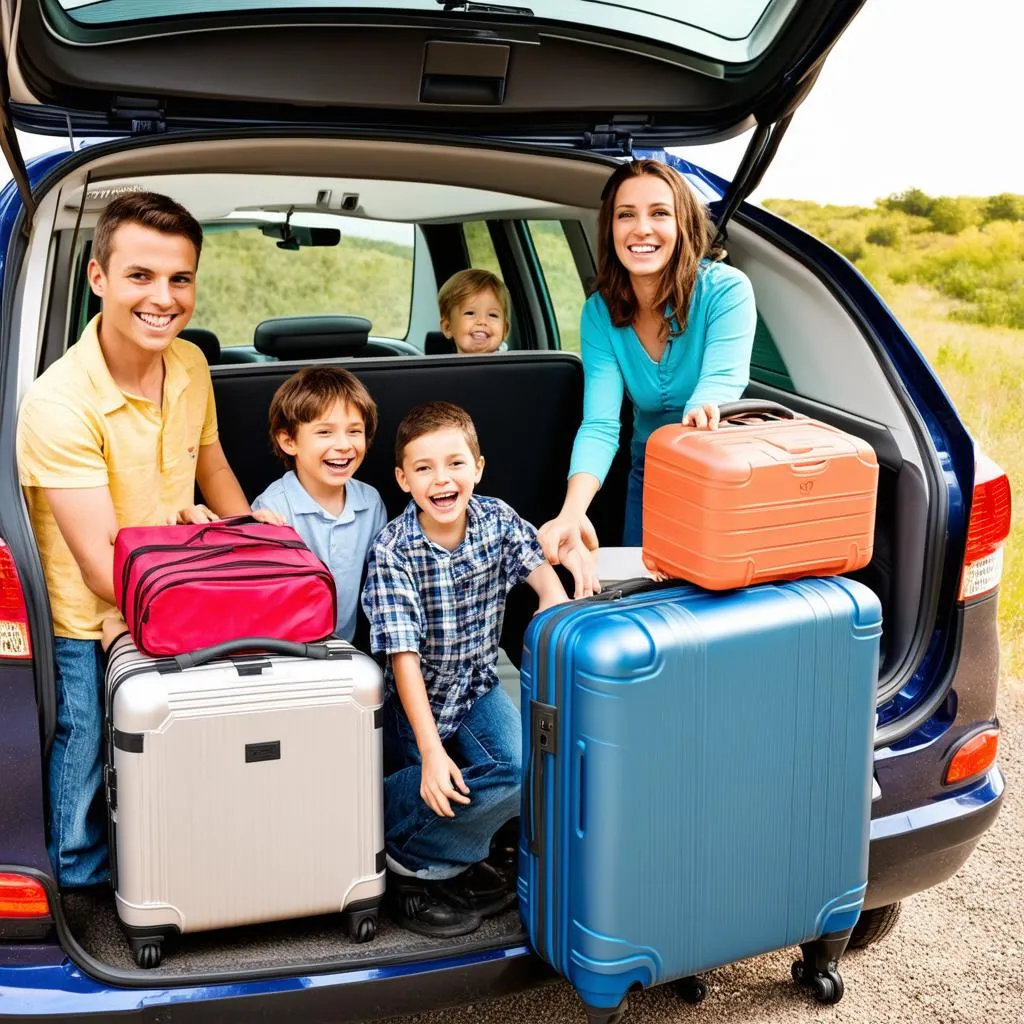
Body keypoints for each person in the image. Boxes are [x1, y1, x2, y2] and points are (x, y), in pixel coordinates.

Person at [16, 191, 280, 889]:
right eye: (140, 276)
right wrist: (214, 571)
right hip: (91, 617)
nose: (163, 298)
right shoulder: (58, 402)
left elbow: (212, 463)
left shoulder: (190, 364)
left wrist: (255, 546)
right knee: (87, 741)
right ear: (98, 278)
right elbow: (104, 567)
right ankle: (79, 877)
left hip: (176, 591)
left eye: (180, 279)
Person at [361, 401, 568, 937]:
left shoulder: (497, 519)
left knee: (526, 767)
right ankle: (405, 851)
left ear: (478, 466)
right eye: (424, 468)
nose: (442, 479)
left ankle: (448, 853)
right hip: (417, 705)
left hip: (477, 686)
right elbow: (402, 659)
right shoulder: (394, 550)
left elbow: (543, 578)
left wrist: (551, 601)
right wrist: (430, 751)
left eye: (455, 463)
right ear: (403, 480)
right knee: (439, 781)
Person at [537, 159, 757, 596]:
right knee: (647, 597)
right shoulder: (599, 312)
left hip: (717, 471)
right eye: (626, 215)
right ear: (611, 229)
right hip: (650, 468)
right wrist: (572, 512)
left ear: (683, 224)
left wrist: (700, 415)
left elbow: (720, 382)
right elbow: (600, 424)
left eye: (659, 213)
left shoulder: (727, 290)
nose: (642, 229)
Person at [251, 366, 387, 642]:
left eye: (354, 431)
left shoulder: (370, 503)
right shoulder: (272, 510)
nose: (343, 445)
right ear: (289, 441)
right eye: (325, 432)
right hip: (285, 651)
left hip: (343, 649)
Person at [437, 268, 510, 354]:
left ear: (504, 330)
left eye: (492, 315)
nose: (482, 321)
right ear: (448, 327)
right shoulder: (443, 367)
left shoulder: (512, 366)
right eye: (470, 313)